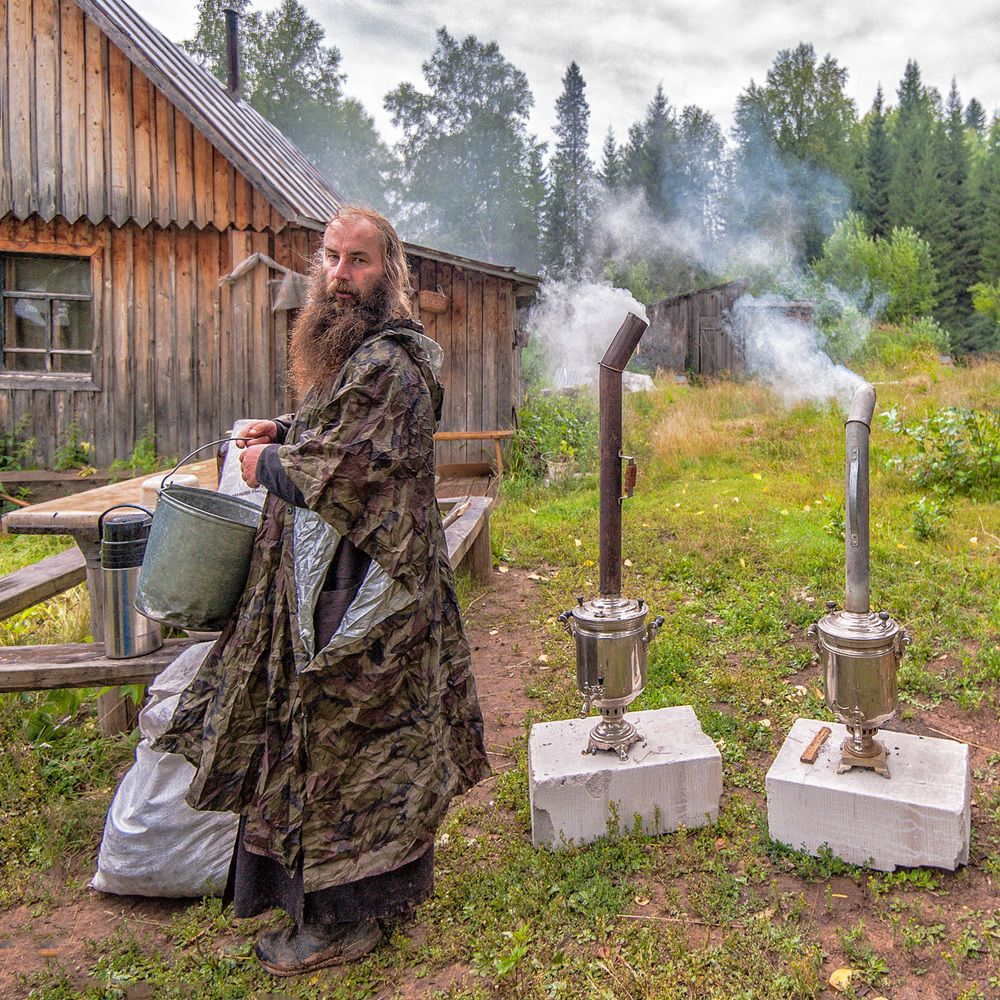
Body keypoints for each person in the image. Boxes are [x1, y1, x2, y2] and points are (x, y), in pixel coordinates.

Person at [154, 206, 490, 976]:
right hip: (334, 583)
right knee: (346, 747)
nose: (340, 276)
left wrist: (266, 465)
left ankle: (342, 923)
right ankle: (360, 901)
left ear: (389, 273)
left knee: (350, 751)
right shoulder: (357, 356)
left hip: (364, 600)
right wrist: (283, 427)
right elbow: (331, 428)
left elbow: (341, 467)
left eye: (359, 261)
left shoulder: (394, 366)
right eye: (331, 258)